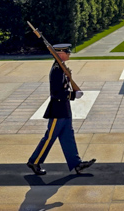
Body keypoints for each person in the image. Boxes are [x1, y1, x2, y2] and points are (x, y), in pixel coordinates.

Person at [26, 43, 96, 175]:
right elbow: (56, 93)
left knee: (68, 136)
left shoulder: (61, 68)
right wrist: (73, 95)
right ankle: (34, 161)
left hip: (64, 109)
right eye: (67, 52)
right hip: (58, 109)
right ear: (59, 54)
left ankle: (76, 163)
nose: (69, 54)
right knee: (50, 137)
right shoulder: (57, 71)